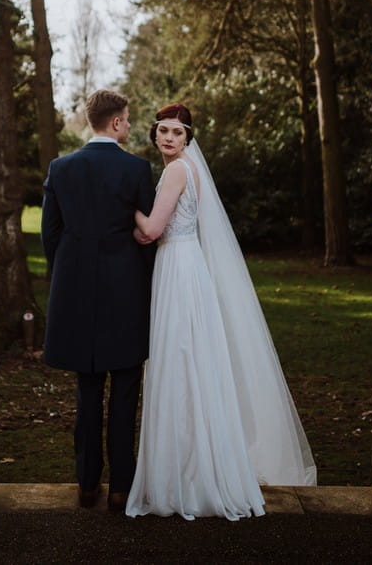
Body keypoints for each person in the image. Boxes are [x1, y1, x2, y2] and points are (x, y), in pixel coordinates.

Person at [126, 103, 316, 521]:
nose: (168, 138)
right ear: (155, 134)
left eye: (177, 132)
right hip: (184, 263)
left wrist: (129, 210)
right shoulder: (185, 169)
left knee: (180, 357)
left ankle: (187, 470)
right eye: (163, 131)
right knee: (192, 358)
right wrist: (150, 231)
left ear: (188, 139)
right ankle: (197, 457)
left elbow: (154, 229)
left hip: (178, 268)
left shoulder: (176, 171)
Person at [41, 89, 155, 512]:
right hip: (125, 292)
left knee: (87, 389)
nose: (127, 123)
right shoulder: (137, 169)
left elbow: (50, 233)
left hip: (77, 295)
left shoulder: (61, 168)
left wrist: (68, 273)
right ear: (117, 122)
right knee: (125, 390)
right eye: (126, 118)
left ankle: (86, 484)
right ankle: (121, 488)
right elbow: (146, 238)